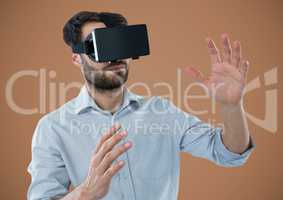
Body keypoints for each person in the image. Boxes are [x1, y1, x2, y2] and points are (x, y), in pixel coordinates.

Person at [27, 11, 254, 200]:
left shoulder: (163, 113)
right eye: (99, 45)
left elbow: (229, 154)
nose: (115, 58)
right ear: (77, 58)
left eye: (119, 45)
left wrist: (231, 107)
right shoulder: (52, 128)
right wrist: (84, 193)